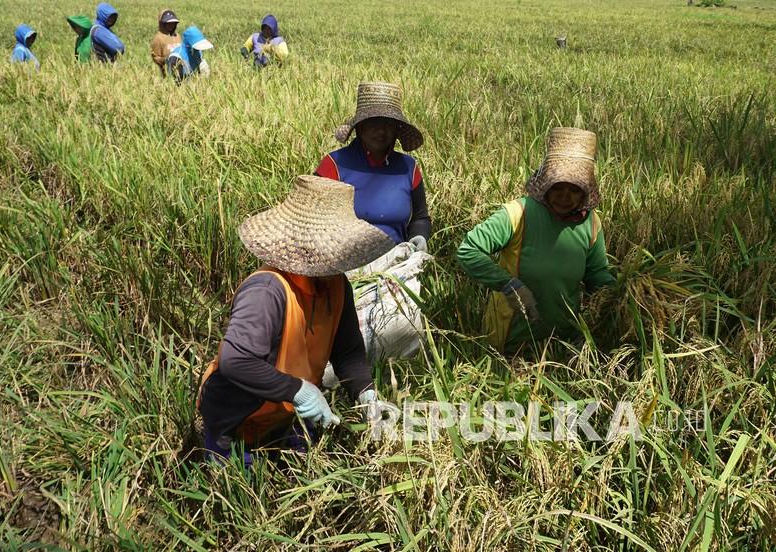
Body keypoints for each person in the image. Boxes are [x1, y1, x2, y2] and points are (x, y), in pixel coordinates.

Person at [197, 175, 392, 464]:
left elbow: (347, 351)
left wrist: (366, 394)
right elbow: (236, 361)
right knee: (243, 495)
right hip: (237, 419)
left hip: (286, 416)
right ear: (307, 245)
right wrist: (299, 391)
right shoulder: (267, 291)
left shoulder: (336, 285)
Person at [457, 127, 616, 353]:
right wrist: (509, 285)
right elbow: (469, 250)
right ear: (546, 185)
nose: (565, 196)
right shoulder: (518, 213)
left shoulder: (590, 223)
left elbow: (597, 275)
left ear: (585, 191)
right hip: (510, 340)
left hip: (561, 343)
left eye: (574, 189)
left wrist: (621, 294)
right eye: (558, 187)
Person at [314, 81, 431, 252]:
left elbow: (420, 217)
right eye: (374, 123)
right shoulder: (334, 165)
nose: (381, 131)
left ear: (397, 129)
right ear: (360, 127)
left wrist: (419, 236)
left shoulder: (408, 167)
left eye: (388, 124)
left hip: (396, 262)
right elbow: (312, 221)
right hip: (344, 264)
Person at [150, 9, 180, 77]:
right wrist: (166, 60)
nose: (171, 25)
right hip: (167, 70)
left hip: (179, 68)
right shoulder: (158, 38)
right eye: (168, 23)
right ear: (162, 24)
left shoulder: (177, 36)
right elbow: (155, 58)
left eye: (173, 23)